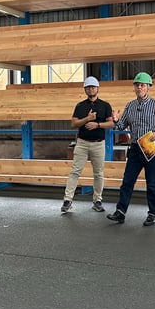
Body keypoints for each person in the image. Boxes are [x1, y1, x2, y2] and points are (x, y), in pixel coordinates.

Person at [106, 72, 155, 227]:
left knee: (152, 183)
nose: (139, 87)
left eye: (142, 85)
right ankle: (120, 212)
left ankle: (153, 214)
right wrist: (115, 119)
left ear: (148, 87)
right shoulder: (130, 106)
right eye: (137, 85)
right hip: (135, 149)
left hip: (151, 149)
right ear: (134, 88)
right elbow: (121, 126)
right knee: (127, 181)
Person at [61, 76, 114, 213]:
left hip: (98, 144)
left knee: (98, 173)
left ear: (97, 89)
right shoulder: (80, 106)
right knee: (75, 171)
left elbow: (111, 123)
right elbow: (74, 123)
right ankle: (68, 200)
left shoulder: (105, 105)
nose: (91, 89)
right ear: (85, 89)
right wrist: (87, 119)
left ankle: (98, 200)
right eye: (88, 87)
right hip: (82, 143)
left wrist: (97, 124)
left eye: (93, 87)